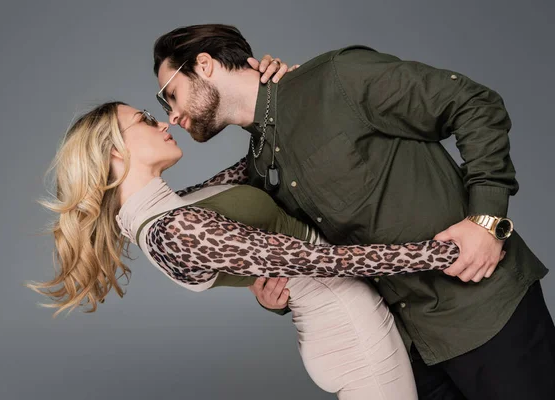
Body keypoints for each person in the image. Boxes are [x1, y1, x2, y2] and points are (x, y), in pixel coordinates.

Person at [152, 24, 555, 399]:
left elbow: (473, 103)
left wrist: (486, 219)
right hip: (409, 349)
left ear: (204, 65)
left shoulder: (337, 77)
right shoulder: (258, 165)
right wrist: (279, 296)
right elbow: (322, 253)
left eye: (169, 93)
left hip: (485, 311)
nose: (171, 114)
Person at [28, 101, 461, 399]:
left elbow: (257, 165)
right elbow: (327, 260)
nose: (163, 123)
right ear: (113, 153)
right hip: (353, 334)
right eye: (143, 119)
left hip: (349, 322)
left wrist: (268, 92)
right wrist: (446, 253)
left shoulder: (170, 210)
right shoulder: (175, 230)